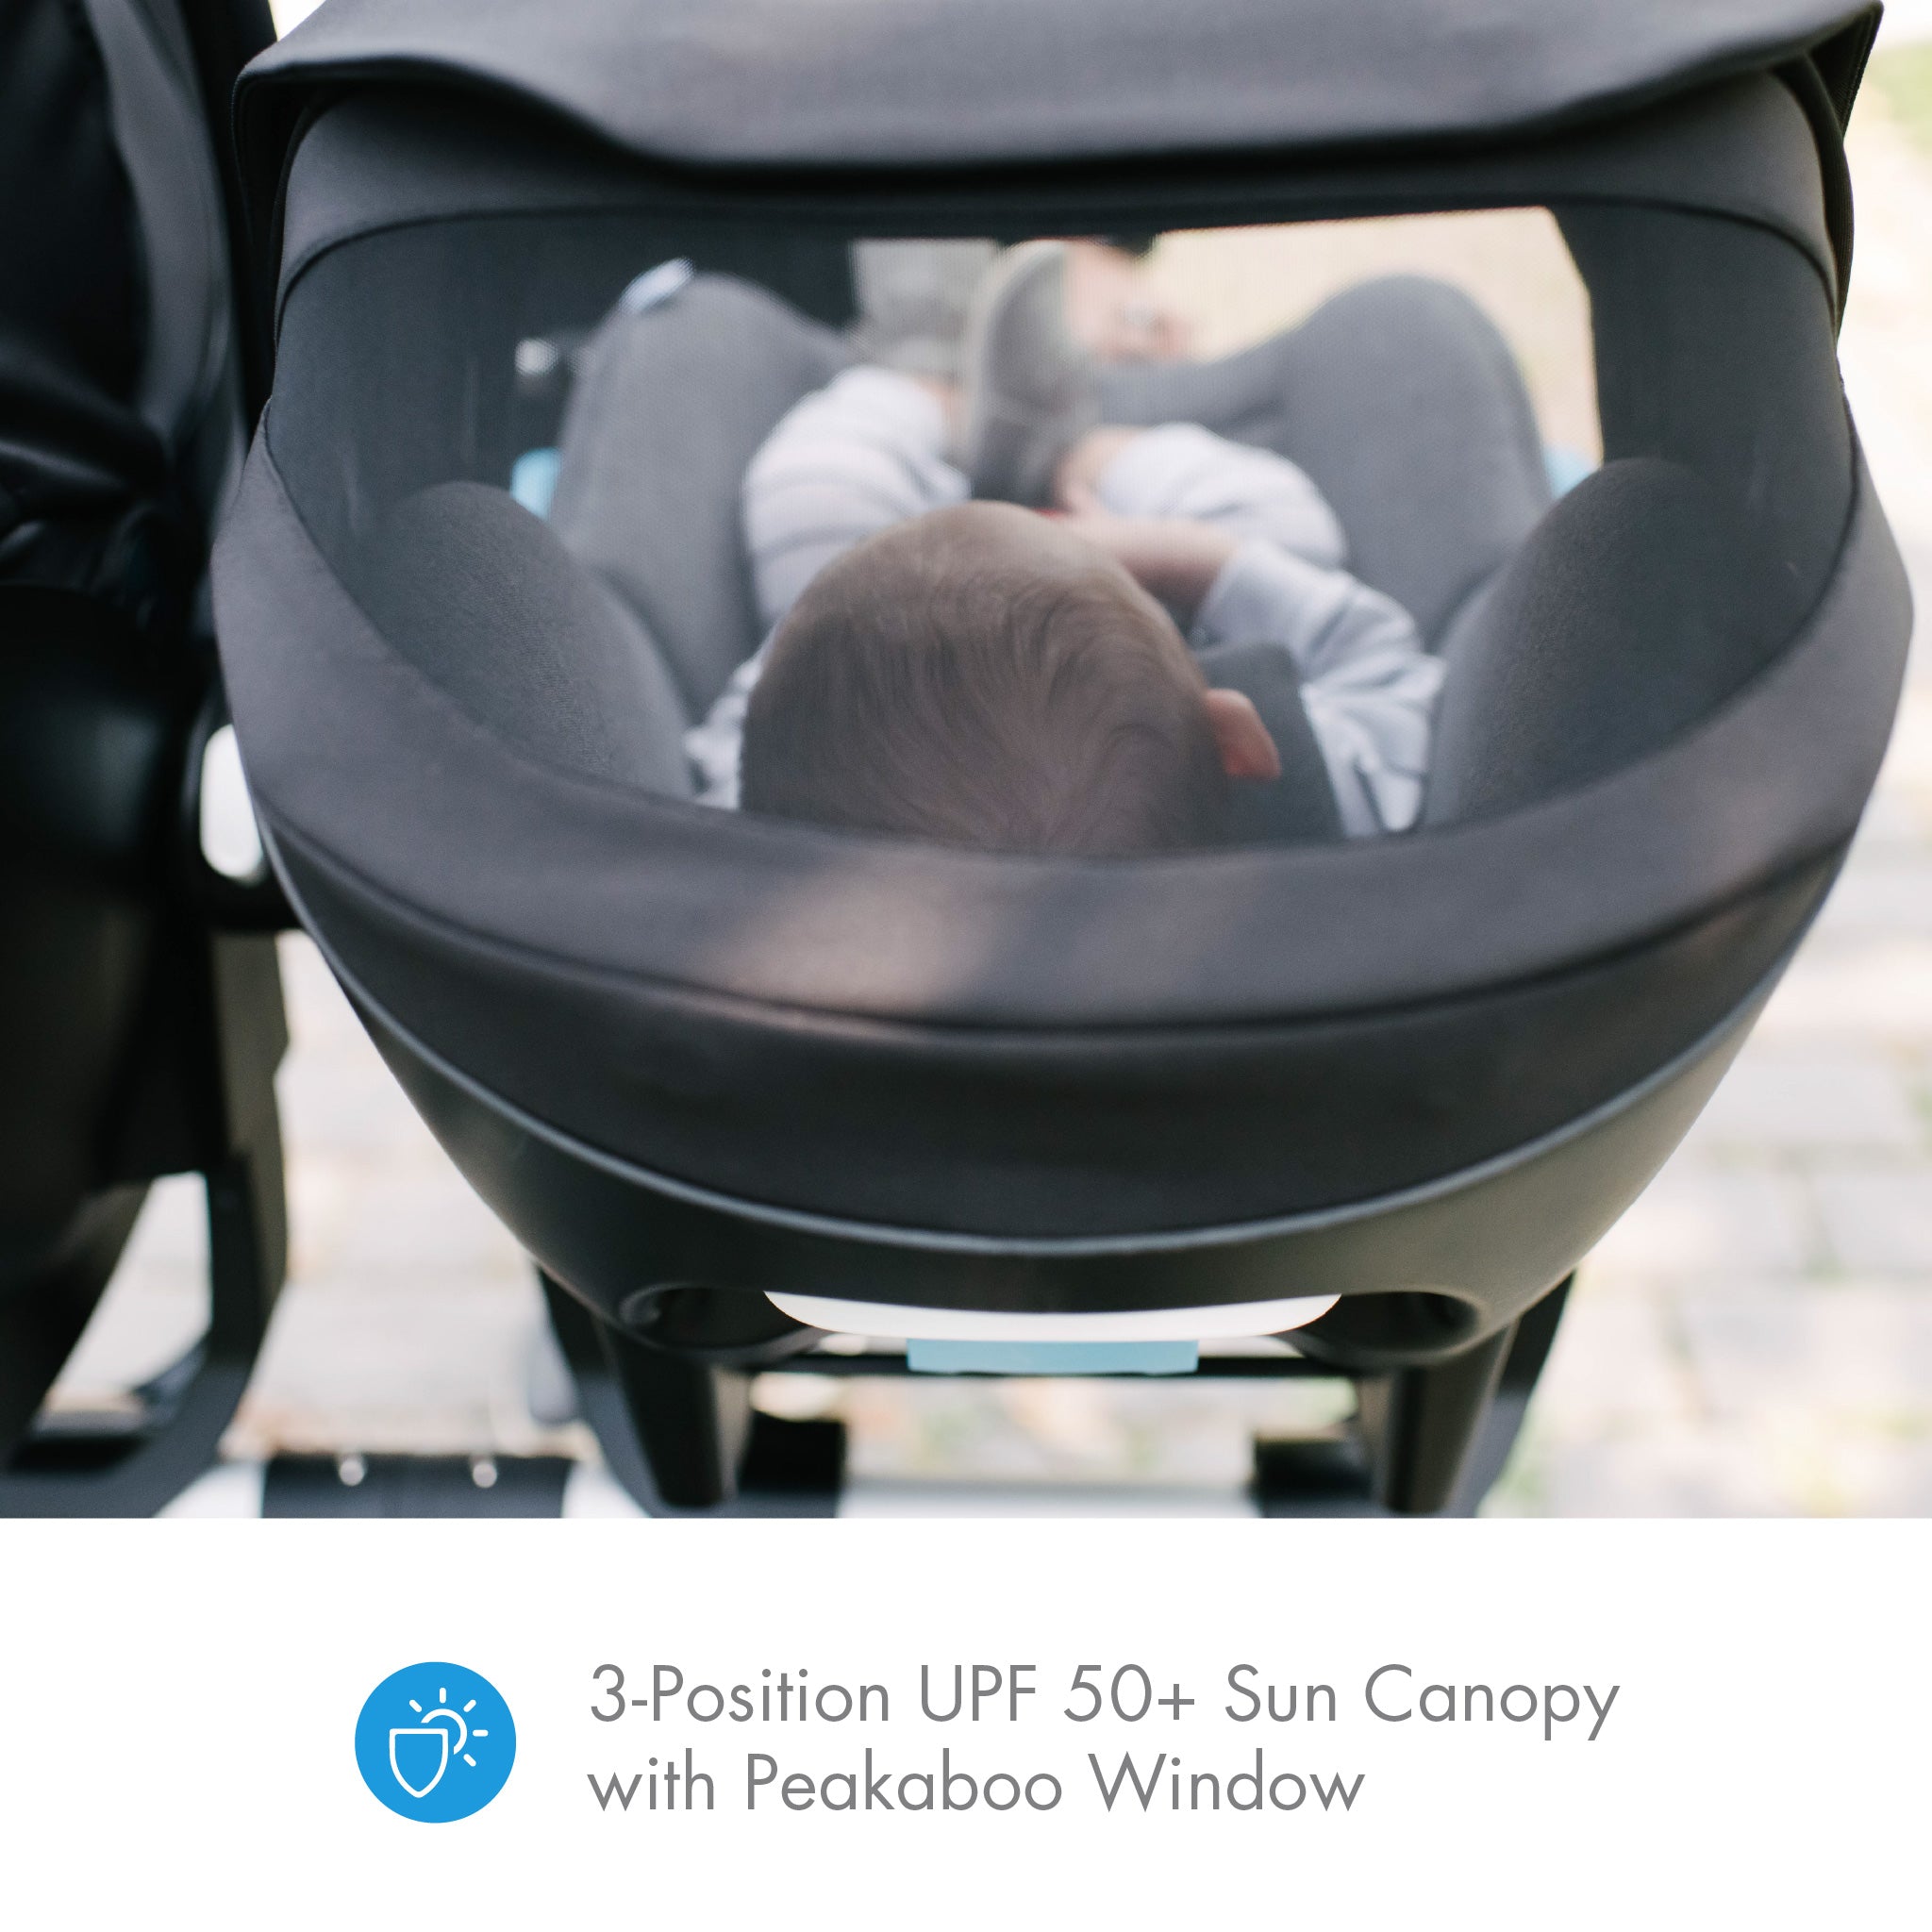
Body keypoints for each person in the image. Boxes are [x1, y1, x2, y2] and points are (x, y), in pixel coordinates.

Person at [688, 242, 1442, 851]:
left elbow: (740, 740)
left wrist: (832, 620)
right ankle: (1064, 448)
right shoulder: (1324, 801)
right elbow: (1387, 671)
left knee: (814, 486)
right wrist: (1184, 558)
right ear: (1236, 744)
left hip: (885, 598)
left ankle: (924, 373)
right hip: (1155, 623)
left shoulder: (759, 857)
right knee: (1277, 524)